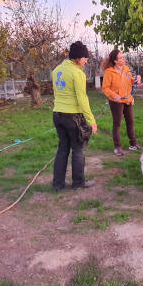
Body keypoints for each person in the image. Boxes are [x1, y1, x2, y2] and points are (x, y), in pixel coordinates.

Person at [51, 41, 98, 191]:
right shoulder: (77, 73)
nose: (86, 61)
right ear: (78, 57)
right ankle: (78, 183)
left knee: (63, 148)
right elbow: (82, 99)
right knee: (78, 149)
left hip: (57, 115)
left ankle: (58, 184)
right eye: (85, 58)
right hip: (73, 117)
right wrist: (91, 121)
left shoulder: (56, 70)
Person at [101, 49, 141, 156]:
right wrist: (114, 95)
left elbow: (129, 81)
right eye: (121, 58)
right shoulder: (109, 72)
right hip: (116, 101)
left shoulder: (126, 69)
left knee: (130, 122)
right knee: (117, 123)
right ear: (115, 61)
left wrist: (136, 79)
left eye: (123, 57)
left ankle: (133, 144)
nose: (124, 59)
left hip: (127, 100)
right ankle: (117, 147)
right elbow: (105, 88)